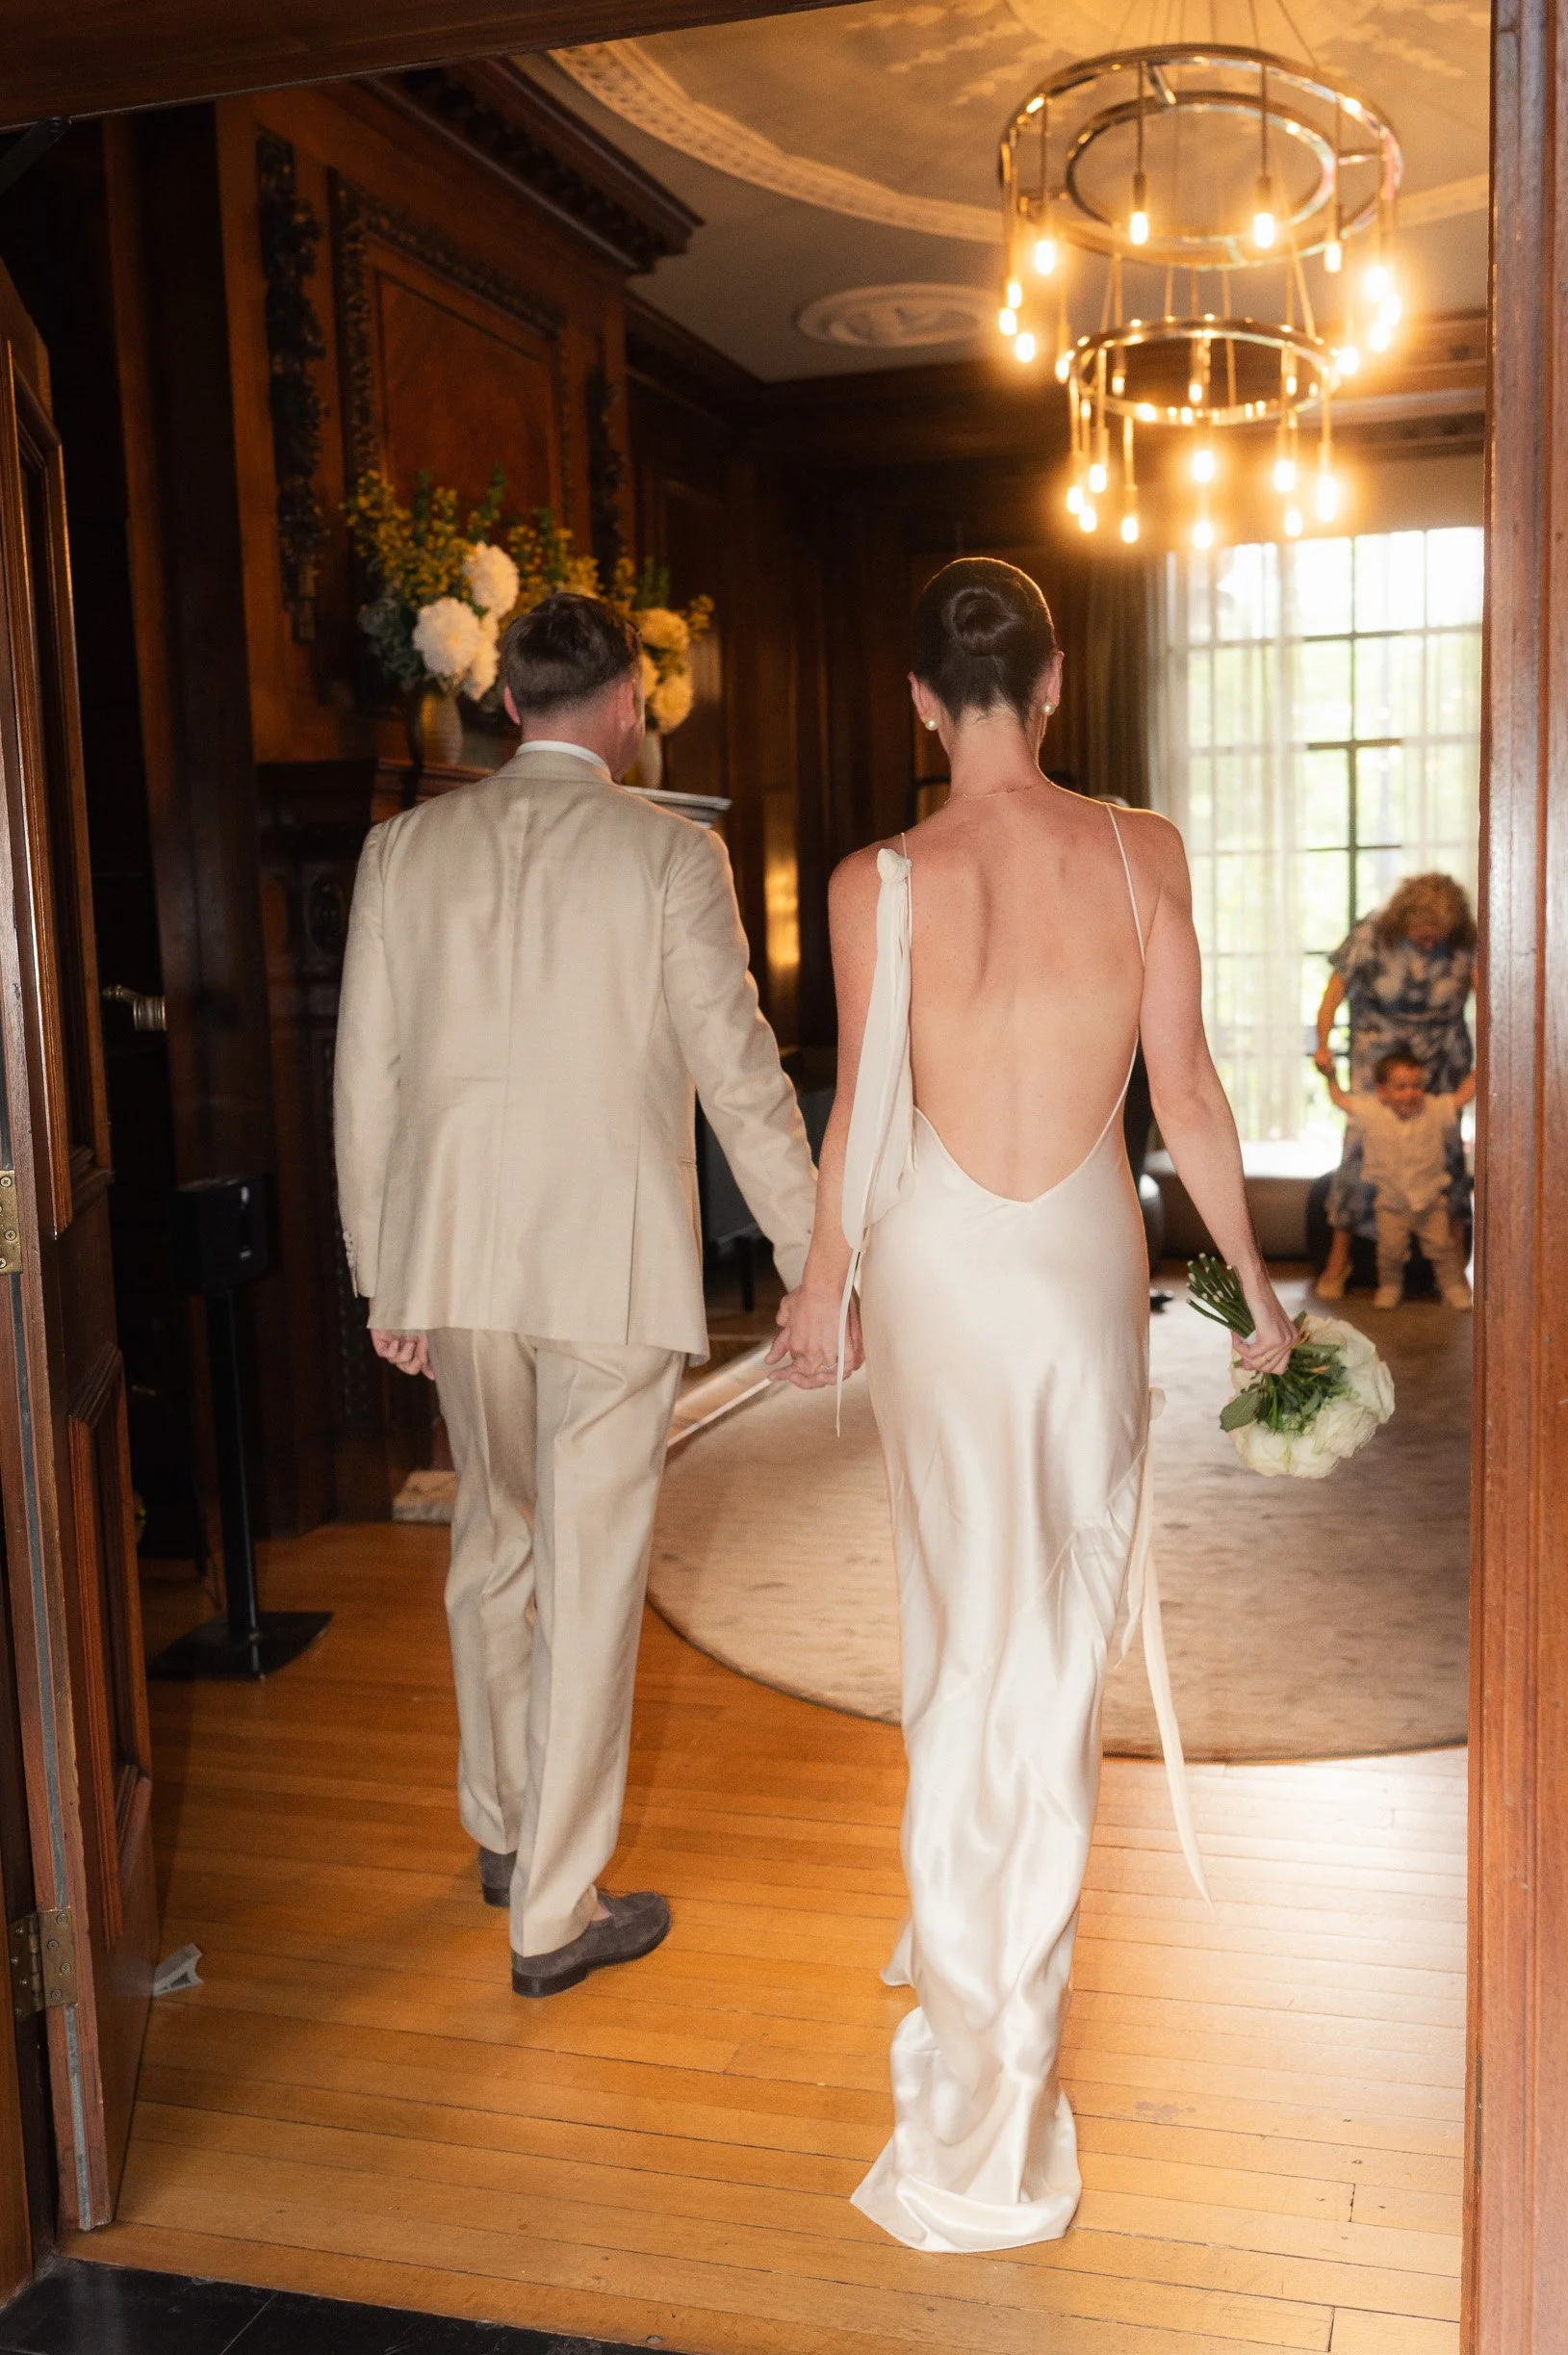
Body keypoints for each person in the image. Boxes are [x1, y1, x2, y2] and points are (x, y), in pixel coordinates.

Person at [768, 558, 1296, 2253]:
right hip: (1078, 1266)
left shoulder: (876, 880)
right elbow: (1191, 1097)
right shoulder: (1141, 851)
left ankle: (965, 1998)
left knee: (960, 1634)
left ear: (920, 700)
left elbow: (857, 1112)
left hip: (931, 1265)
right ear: (1052, 681)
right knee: (1053, 1650)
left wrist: (821, 1282)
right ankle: (1002, 2086)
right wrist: (1259, 1296)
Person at [334, 593, 816, 2001]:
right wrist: (812, 1265)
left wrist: (385, 1268)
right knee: (593, 1579)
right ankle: (551, 1911)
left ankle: (499, 1826)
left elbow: (363, 1075)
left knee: (494, 1538)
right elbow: (737, 1077)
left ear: (505, 705)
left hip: (459, 1262)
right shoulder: (669, 855)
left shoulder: (400, 851)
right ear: (623, 704)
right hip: (606, 1267)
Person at [1313, 873, 1477, 1300]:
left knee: (1445, 1154)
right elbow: (1333, 993)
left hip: (1442, 1057)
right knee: (1361, 1150)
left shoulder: (1465, 942)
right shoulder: (1372, 933)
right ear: (1404, 918)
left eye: (1437, 937)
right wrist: (1322, 1044)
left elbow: (1490, 997)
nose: (1429, 943)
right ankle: (1339, 1261)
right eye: (1422, 935)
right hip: (1378, 1059)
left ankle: (1455, 1269)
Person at [1320, 1050, 1475, 1310]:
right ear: (1382, 1091)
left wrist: (1481, 1065)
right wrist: (1330, 1076)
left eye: (1416, 1086)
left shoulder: (1434, 1109)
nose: (1410, 1093)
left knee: (1442, 1248)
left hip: (1430, 1200)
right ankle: (1390, 1286)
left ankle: (1453, 1288)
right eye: (1400, 1087)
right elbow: (1341, 1101)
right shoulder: (1372, 1112)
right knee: (1389, 1252)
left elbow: (1462, 1097)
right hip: (1390, 1202)